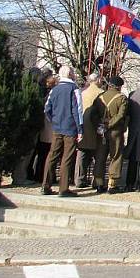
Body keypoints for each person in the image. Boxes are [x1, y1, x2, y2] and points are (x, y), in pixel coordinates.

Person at [42, 66, 83, 197]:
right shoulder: (74, 89)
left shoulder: (54, 89)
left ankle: (45, 185)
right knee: (67, 158)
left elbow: (47, 108)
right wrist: (80, 129)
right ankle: (63, 188)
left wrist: (53, 121)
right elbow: (77, 111)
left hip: (57, 127)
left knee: (52, 156)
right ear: (71, 74)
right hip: (70, 128)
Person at [92, 76, 129, 194]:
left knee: (100, 157)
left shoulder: (100, 97)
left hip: (101, 131)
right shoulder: (122, 98)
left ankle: (99, 183)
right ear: (119, 86)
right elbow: (121, 115)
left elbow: (92, 114)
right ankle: (112, 185)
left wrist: (100, 124)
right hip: (115, 132)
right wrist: (110, 124)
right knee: (116, 156)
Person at [74, 73, 104, 189]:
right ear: (97, 80)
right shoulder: (100, 93)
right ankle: (96, 180)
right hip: (95, 127)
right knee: (98, 156)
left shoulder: (82, 92)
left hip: (82, 125)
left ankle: (79, 179)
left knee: (81, 154)